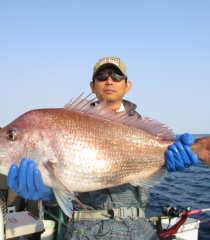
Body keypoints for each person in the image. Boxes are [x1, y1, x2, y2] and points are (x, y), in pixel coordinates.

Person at [7, 56, 199, 240]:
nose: (109, 81)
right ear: (92, 86)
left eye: (116, 76)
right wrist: (47, 192)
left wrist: (173, 155)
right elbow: (61, 190)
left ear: (127, 85)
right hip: (85, 231)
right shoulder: (69, 118)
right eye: (101, 76)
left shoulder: (142, 128)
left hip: (139, 229)